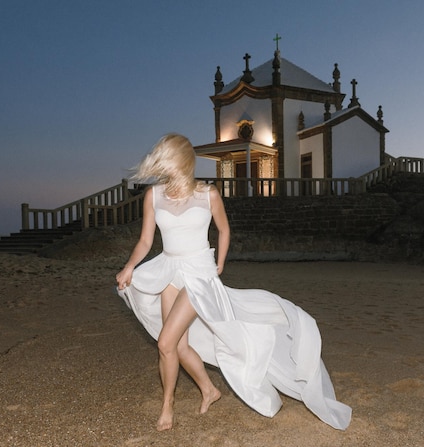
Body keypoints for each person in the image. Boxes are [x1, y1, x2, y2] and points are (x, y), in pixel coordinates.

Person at [115, 133, 351, 431]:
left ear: (179, 161)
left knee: (164, 341)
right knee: (177, 347)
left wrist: (220, 263)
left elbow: (224, 230)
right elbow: (146, 240)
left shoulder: (208, 194)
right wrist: (129, 267)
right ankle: (210, 390)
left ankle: (167, 406)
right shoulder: (154, 196)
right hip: (168, 272)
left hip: (199, 276)